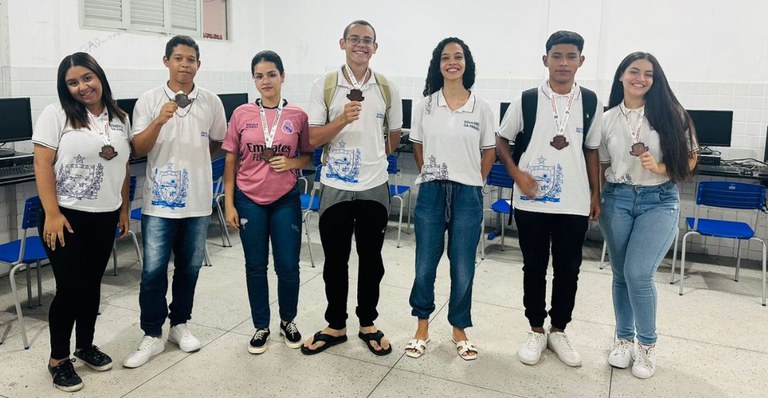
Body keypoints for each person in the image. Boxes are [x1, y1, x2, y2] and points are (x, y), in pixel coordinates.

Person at [496, 30, 603, 368]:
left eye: (571, 57)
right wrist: (517, 174)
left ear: (581, 61)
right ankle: (535, 329)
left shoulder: (591, 101)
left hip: (573, 202)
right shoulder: (527, 99)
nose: (563, 63)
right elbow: (501, 140)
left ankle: (559, 329)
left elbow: (592, 149)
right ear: (546, 60)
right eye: (557, 56)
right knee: (534, 267)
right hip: (532, 203)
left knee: (569, 268)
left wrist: (595, 192)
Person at [123, 35, 227, 368]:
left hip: (198, 202)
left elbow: (217, 143)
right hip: (158, 204)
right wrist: (159, 120)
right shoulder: (149, 100)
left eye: (191, 59)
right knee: (153, 271)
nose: (185, 65)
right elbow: (138, 148)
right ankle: (152, 333)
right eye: (178, 58)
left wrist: (194, 162)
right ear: (166, 61)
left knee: (189, 269)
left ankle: (179, 324)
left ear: (199, 64)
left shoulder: (211, 101)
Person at [301, 20, 402, 356]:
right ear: (342, 43)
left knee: (372, 260)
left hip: (374, 186)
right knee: (335, 261)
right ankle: (336, 324)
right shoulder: (325, 86)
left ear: (375, 47)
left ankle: (368, 323)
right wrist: (342, 120)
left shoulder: (387, 87)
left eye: (368, 41)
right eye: (355, 39)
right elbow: (313, 138)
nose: (361, 45)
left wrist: (372, 158)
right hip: (334, 186)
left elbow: (395, 138)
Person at [32, 52, 131, 392]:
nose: (81, 87)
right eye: (72, 82)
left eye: (86, 78)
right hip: (66, 217)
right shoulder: (56, 114)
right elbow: (42, 164)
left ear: (99, 76)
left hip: (105, 215)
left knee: (91, 285)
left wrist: (123, 208)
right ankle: (58, 359)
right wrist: (53, 213)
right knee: (71, 288)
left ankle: (84, 346)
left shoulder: (120, 117)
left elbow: (122, 165)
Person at [599, 52, 697, 379]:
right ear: (621, 76)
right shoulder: (607, 118)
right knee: (620, 275)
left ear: (656, 80)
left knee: (639, 274)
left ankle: (647, 345)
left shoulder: (672, 114)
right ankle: (624, 339)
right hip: (618, 199)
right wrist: (594, 199)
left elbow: (691, 158)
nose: (641, 78)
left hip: (659, 200)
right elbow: (600, 165)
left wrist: (661, 167)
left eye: (648, 74)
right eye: (634, 71)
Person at [404, 37, 495, 361]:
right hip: (431, 191)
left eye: (458, 57)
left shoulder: (481, 107)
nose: (452, 62)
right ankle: (422, 326)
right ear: (438, 64)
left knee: (463, 266)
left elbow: (489, 151)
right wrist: (430, 172)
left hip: (468, 195)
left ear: (466, 63)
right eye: (446, 57)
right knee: (425, 264)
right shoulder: (426, 105)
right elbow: (416, 144)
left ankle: (459, 327)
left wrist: (476, 179)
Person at [222, 50, 314, 354]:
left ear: (283, 76)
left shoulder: (297, 116)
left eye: (272, 74)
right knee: (255, 265)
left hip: (285, 199)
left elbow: (307, 157)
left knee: (288, 266)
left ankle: (288, 320)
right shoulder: (241, 114)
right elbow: (231, 159)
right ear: (254, 80)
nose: (266, 81)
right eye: (259, 76)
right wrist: (230, 203)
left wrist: (291, 164)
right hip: (249, 199)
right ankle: (261, 325)